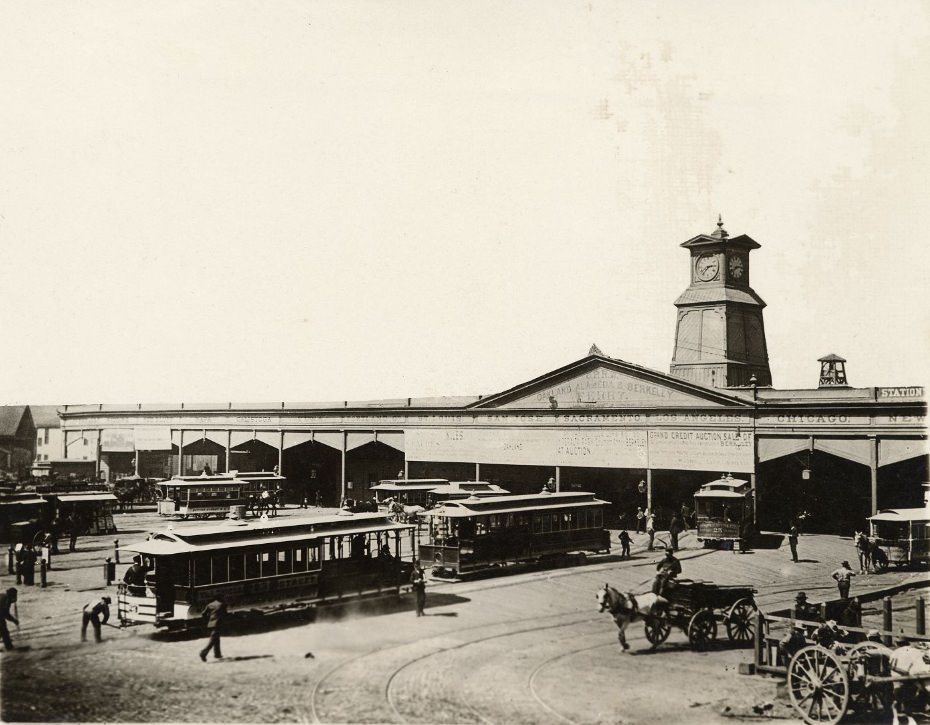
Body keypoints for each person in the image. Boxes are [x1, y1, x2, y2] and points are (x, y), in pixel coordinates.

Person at [199, 596, 227, 661]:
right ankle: (203, 653)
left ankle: (217, 654)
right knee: (213, 640)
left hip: (211, 624)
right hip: (218, 623)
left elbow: (203, 614)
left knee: (216, 638)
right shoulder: (222, 604)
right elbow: (225, 614)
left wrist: (210, 618)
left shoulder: (210, 604)